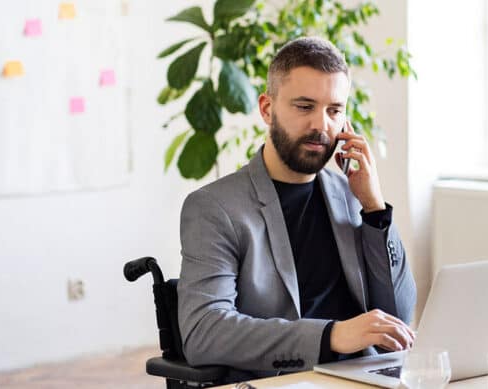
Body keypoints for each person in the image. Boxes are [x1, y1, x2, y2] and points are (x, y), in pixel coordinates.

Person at [176, 37, 417, 380]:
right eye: (305, 107)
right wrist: (332, 335)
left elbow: (400, 313)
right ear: (267, 109)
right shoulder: (215, 208)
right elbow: (205, 332)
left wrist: (374, 208)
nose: (322, 125)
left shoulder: (351, 195)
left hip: (366, 376)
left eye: (334, 110)